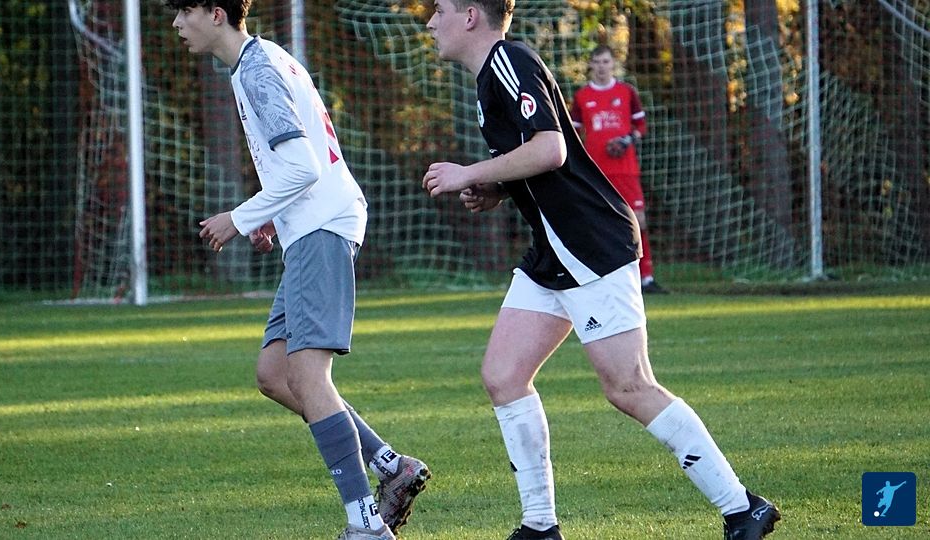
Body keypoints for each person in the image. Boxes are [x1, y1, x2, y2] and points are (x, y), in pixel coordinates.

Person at [423, 2, 779, 539]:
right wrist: (495, 187)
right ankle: (539, 527)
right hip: (553, 251)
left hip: (591, 245)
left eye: (439, 9)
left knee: (629, 386)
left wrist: (468, 172)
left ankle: (742, 507)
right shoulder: (491, 76)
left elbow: (551, 149)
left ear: (471, 15)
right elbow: (541, 162)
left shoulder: (509, 61)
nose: (430, 21)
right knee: (503, 376)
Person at [166, 2, 429, 539]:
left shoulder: (258, 70)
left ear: (216, 14)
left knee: (308, 376)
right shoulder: (259, 61)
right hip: (311, 224)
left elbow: (305, 167)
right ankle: (390, 466)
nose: (176, 24)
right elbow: (297, 163)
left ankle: (365, 525)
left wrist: (240, 218)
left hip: (322, 225)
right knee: (274, 374)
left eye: (185, 10)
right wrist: (270, 214)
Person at [570, 45, 665, 294]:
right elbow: (573, 133)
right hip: (595, 172)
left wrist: (626, 140)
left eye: (606, 61)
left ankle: (646, 277)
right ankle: (598, 276)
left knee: (638, 220)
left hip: (625, 170)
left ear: (613, 64)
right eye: (597, 62)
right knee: (594, 222)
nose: (602, 66)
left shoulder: (627, 92)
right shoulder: (582, 96)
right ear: (591, 65)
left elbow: (641, 126)